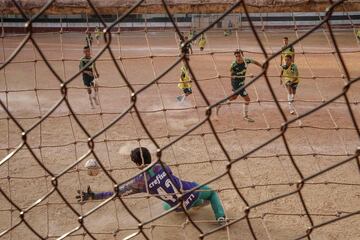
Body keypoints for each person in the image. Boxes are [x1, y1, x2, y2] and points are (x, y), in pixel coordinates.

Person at [76, 147, 227, 226]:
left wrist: (93, 196)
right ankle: (220, 217)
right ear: (150, 156)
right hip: (191, 192)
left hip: (178, 207)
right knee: (211, 192)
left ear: (136, 164)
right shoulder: (161, 164)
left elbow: (117, 193)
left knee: (165, 206)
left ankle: (197, 204)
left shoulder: (138, 183)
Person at [216, 49, 262, 122]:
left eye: (239, 55)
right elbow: (231, 74)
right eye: (236, 56)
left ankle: (220, 104)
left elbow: (254, 62)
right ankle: (245, 116)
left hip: (241, 83)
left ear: (242, 55)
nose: (238, 57)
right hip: (236, 84)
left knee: (234, 97)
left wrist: (262, 66)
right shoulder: (233, 64)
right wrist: (237, 77)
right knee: (247, 99)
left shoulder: (246, 61)